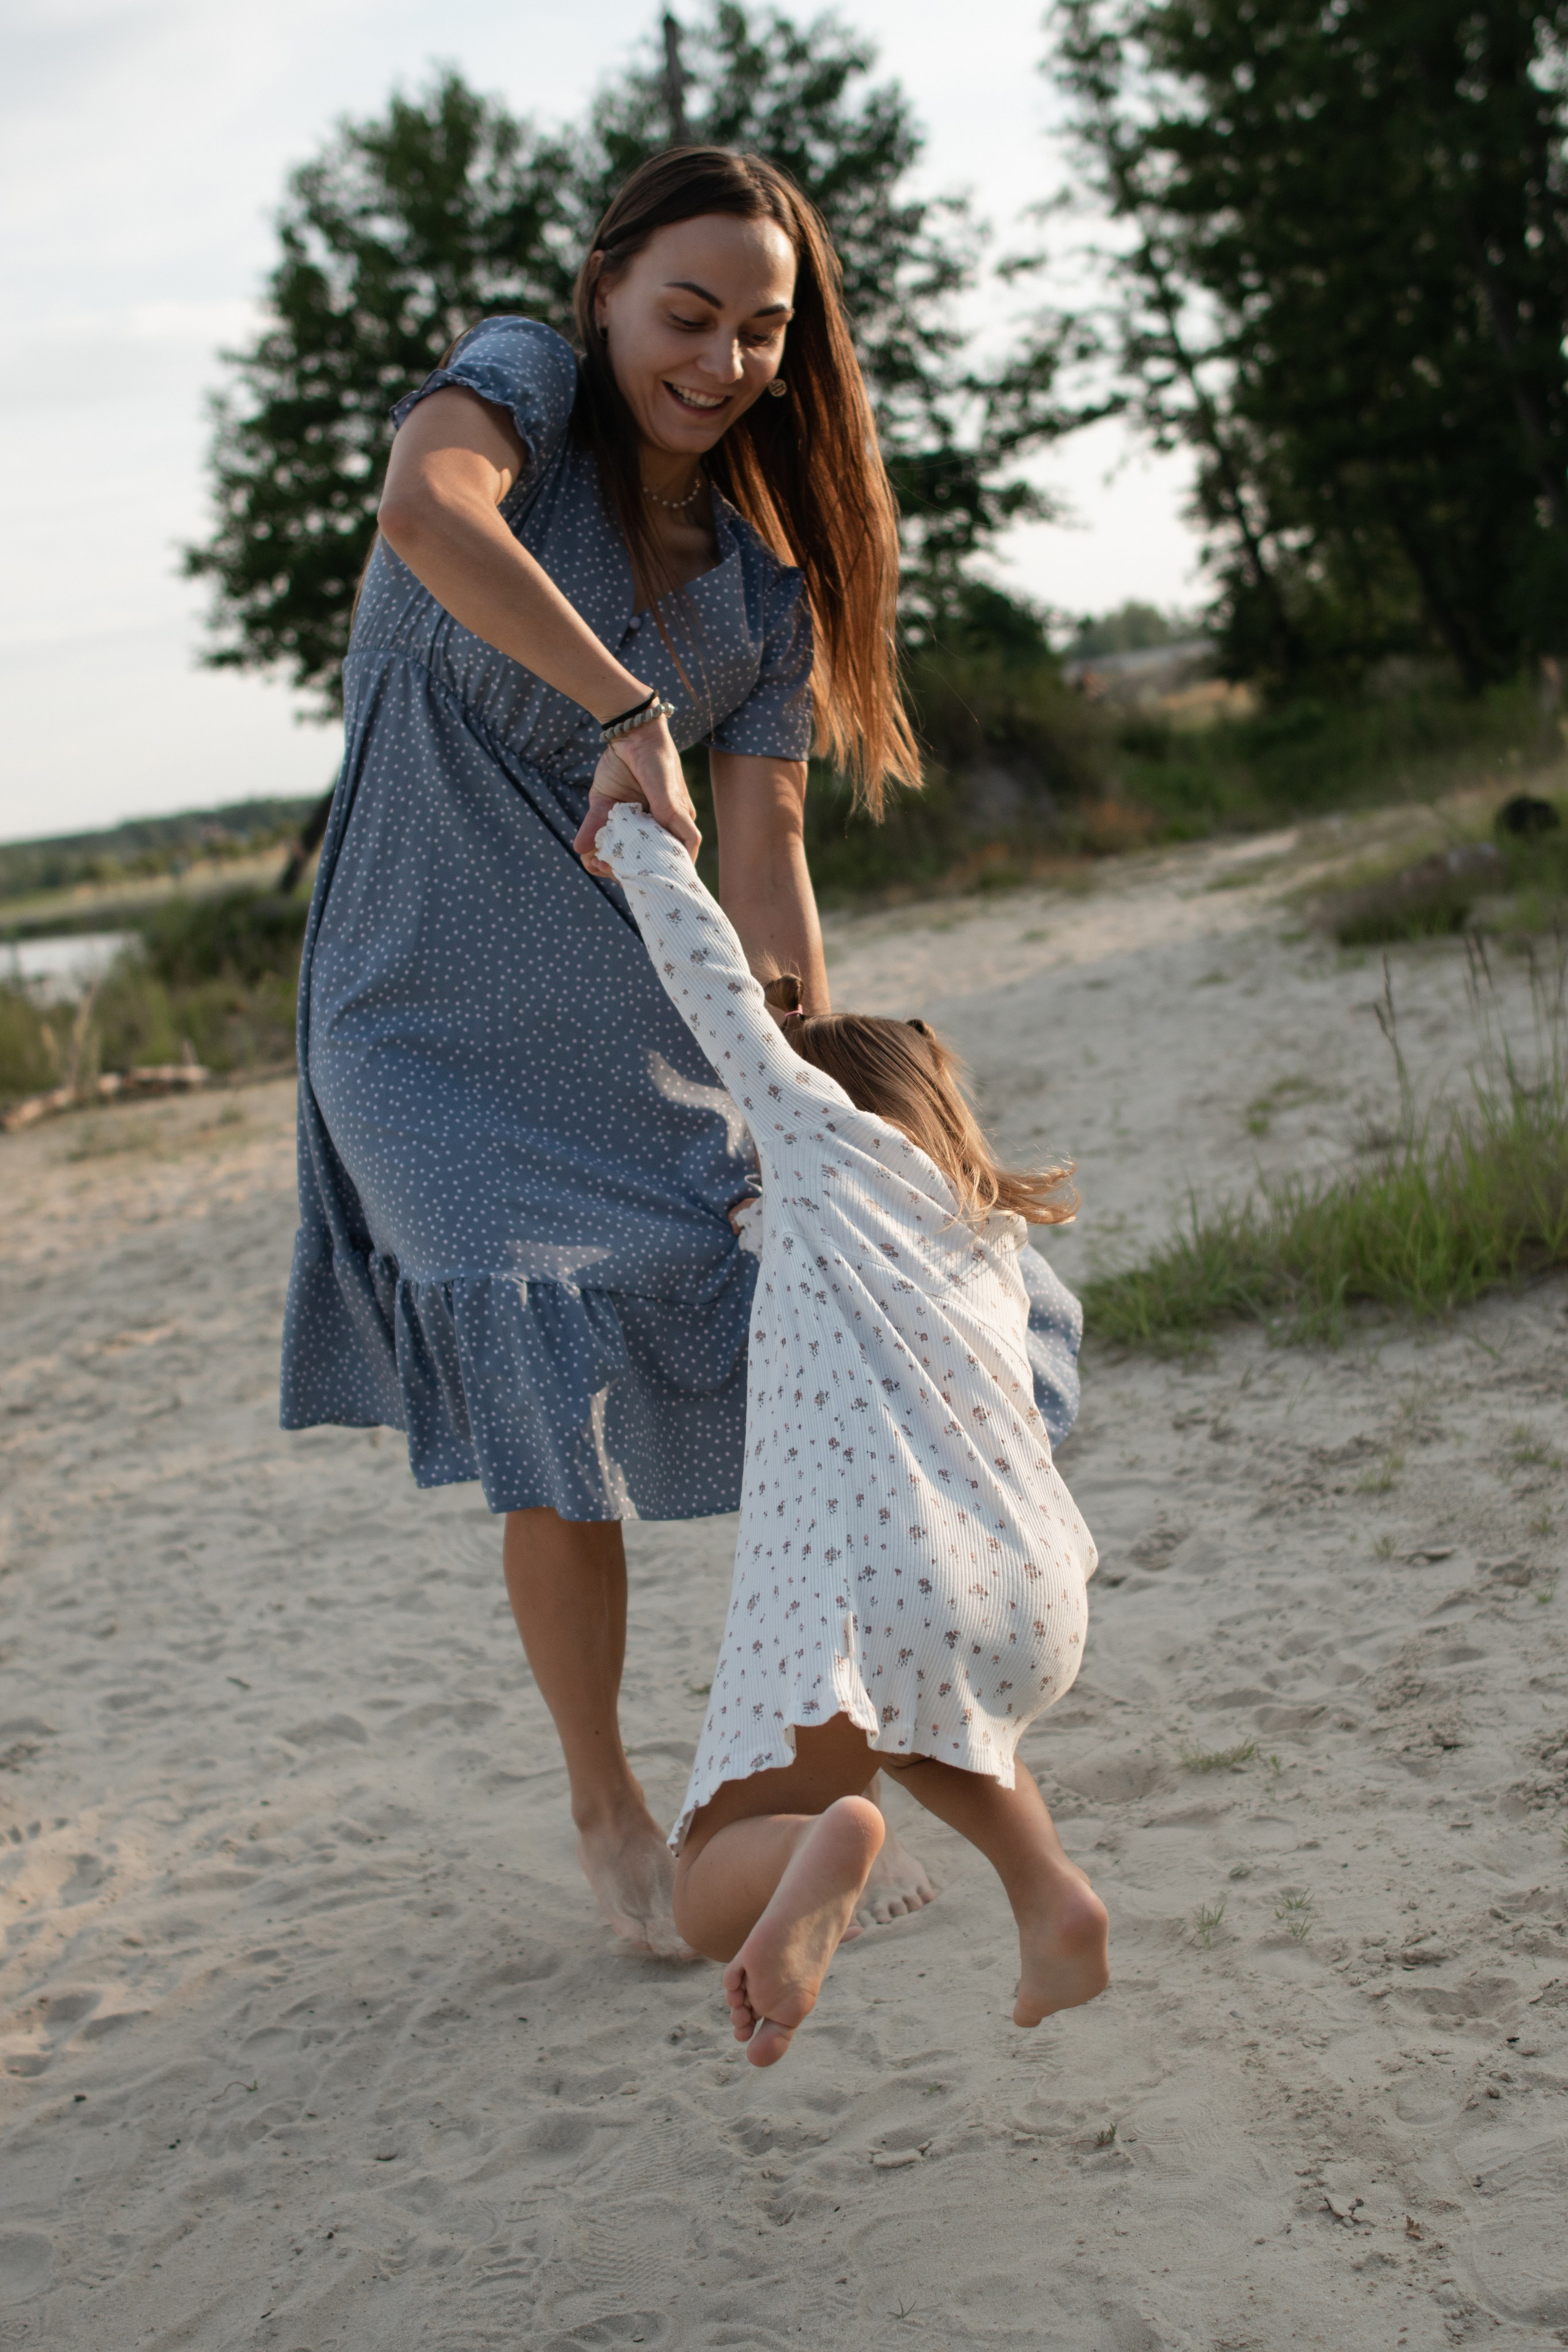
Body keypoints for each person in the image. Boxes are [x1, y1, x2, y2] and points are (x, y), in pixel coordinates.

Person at [279, 146, 1078, 1958]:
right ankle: (608, 1810)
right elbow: (422, 515)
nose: (720, 361)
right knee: (542, 1383)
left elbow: (770, 857)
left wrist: (817, 1102)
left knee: (836, 1319)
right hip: (410, 1020)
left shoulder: (758, 591)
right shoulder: (515, 403)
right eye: (688, 315)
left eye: (761, 332)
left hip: (640, 1029)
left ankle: (823, 1774)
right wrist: (621, 706)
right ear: (607, 291)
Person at [593, 801, 1107, 2062]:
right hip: (1036, 1591)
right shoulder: (988, 1246)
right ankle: (1051, 1901)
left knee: (706, 1876)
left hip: (878, 1586)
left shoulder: (826, 1156)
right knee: (934, 1725)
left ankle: (819, 1852)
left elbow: (712, 986)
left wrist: (639, 842)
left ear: (825, 1107)